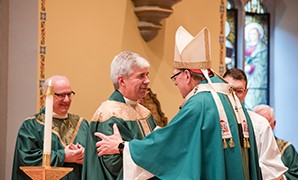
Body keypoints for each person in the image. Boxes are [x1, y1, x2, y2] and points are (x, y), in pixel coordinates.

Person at [93, 26, 262, 179]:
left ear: (187, 75)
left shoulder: (199, 104)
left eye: (175, 77)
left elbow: (169, 147)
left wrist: (123, 147)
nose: (175, 84)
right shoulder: (228, 96)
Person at [82, 51, 158, 179]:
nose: (147, 81)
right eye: (141, 76)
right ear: (122, 81)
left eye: (147, 75)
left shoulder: (144, 112)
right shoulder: (109, 114)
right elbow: (114, 164)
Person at [12, 75, 89, 180]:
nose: (66, 100)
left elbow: (94, 158)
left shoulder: (82, 125)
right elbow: (27, 159)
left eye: (69, 94)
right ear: (45, 97)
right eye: (61, 95)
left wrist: (86, 156)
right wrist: (63, 156)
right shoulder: (31, 126)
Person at [223, 68, 288, 179]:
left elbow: (273, 169)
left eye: (238, 91)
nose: (233, 95)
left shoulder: (260, 124)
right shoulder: (212, 120)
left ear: (246, 92)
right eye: (229, 90)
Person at [253, 104, 298, 180]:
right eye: (258, 123)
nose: (262, 126)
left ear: (274, 124)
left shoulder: (286, 148)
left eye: (266, 121)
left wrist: (282, 178)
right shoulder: (248, 148)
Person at [244, 22, 268, 110]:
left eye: (254, 33)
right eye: (250, 33)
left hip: (258, 80)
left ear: (259, 34)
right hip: (247, 77)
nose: (252, 36)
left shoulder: (263, 48)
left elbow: (262, 64)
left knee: (256, 96)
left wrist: (252, 67)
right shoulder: (245, 47)